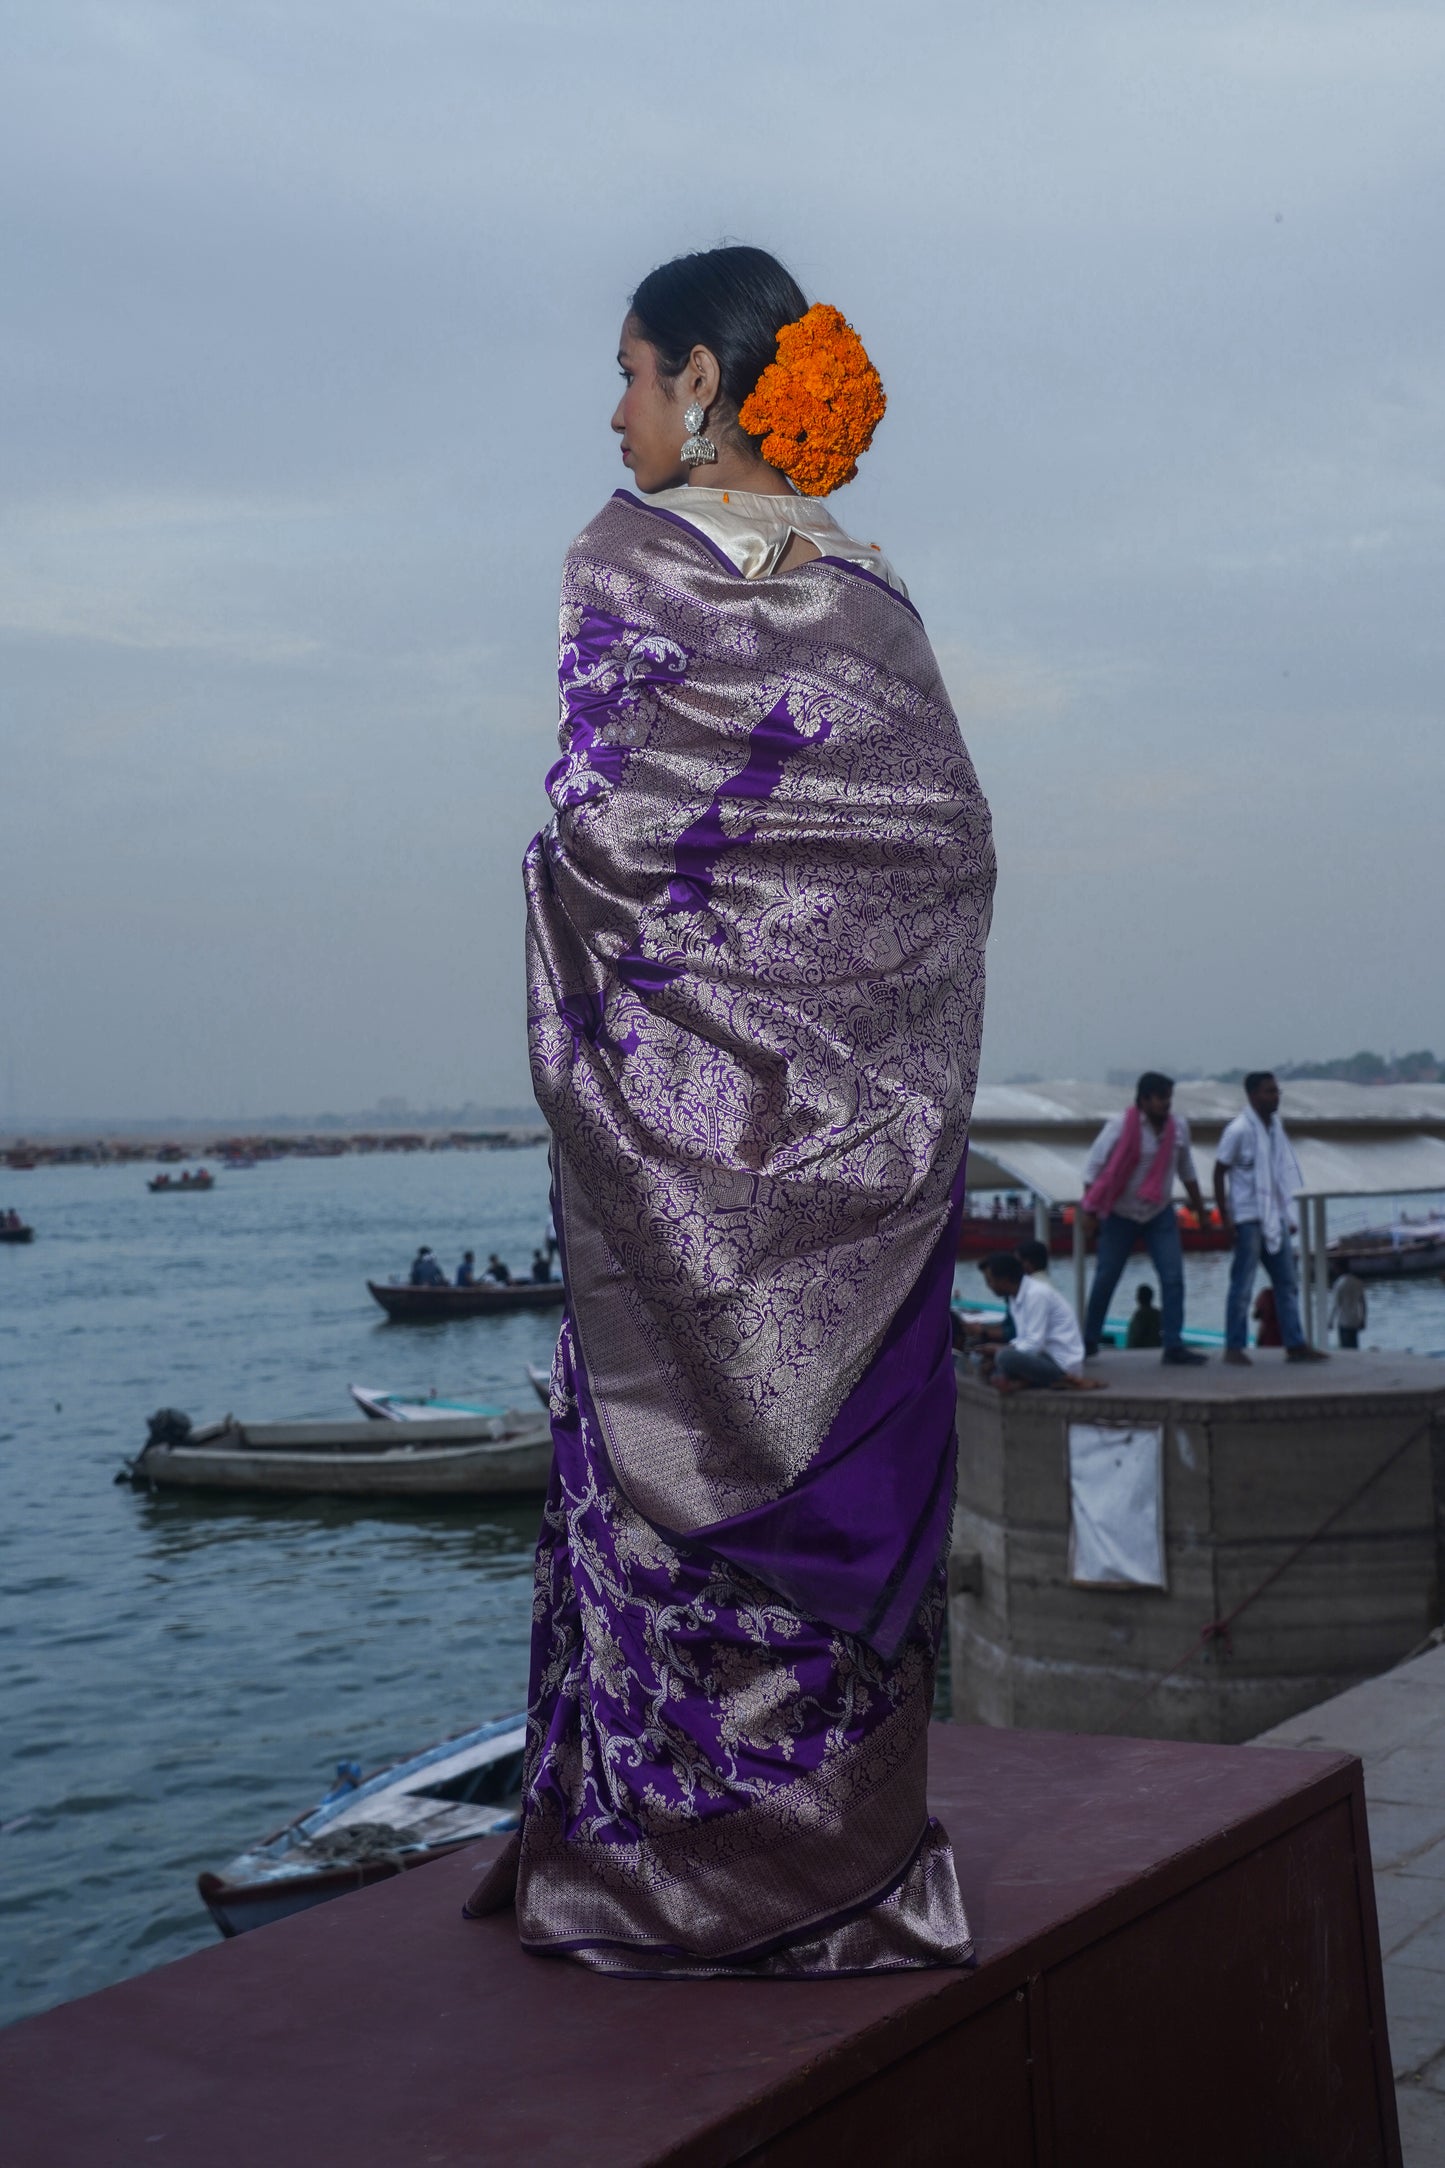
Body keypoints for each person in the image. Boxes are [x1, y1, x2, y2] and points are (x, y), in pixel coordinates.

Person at [465, 247, 994, 1979]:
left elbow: (613, 835)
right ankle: (840, 1866)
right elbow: (937, 852)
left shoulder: (630, 560)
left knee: (663, 1453)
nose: (611, 410)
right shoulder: (874, 582)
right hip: (866, 1141)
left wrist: (563, 907)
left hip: (679, 1112)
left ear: (704, 381)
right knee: (826, 1454)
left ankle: (668, 1868)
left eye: (628, 370)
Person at [1080, 1072, 1210, 1365]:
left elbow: (1186, 1171)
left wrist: (1200, 1210)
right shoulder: (1119, 1127)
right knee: (1106, 1278)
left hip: (1158, 1212)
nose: (1166, 1104)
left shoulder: (1178, 1129)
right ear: (1145, 1099)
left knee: (1173, 1278)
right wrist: (1089, 1213)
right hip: (1120, 1213)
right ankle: (1088, 1342)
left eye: (1169, 1098)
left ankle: (1174, 1345)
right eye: (1161, 1098)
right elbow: (1093, 1169)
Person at [1214, 1072, 1326, 1364]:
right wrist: (1225, 1217)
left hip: (1274, 1216)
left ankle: (1296, 1343)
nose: (1275, 1096)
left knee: (1287, 1281)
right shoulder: (1238, 1130)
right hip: (1248, 1216)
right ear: (1252, 1095)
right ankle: (1234, 1347)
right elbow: (1219, 1171)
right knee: (1243, 1284)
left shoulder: (1276, 1128)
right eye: (1268, 1091)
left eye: (1277, 1091)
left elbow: (1279, 1173)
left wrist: (1286, 1214)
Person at [975, 1253, 1085, 1390]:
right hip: (1040, 1356)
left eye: (990, 1281)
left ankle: (1058, 1379)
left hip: (1059, 1362)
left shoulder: (1036, 1294)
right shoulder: (1014, 1298)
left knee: (1004, 1357)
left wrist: (1001, 1349)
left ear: (1003, 1280)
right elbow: (1023, 1339)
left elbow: (1034, 1344)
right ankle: (1021, 1379)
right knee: (979, 1358)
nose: (989, 1286)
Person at [1329, 1271, 1368, 1349]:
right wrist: (1363, 1320)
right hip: (1354, 1320)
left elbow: (1336, 1305)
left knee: (1344, 1348)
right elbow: (1363, 1304)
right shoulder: (1358, 1282)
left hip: (1343, 1321)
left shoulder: (1339, 1283)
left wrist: (1331, 1321)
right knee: (1354, 1346)